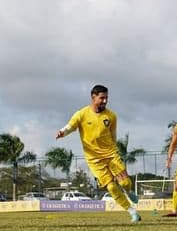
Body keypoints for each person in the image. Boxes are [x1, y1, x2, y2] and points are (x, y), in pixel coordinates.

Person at [56, 85, 141, 223]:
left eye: (107, 98)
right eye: (102, 98)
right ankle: (133, 213)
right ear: (93, 97)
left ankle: (129, 191)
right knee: (112, 187)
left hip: (111, 154)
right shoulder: (81, 114)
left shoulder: (111, 116)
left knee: (125, 182)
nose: (105, 101)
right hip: (94, 160)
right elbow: (70, 126)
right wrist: (62, 132)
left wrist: (115, 152)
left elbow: (113, 135)